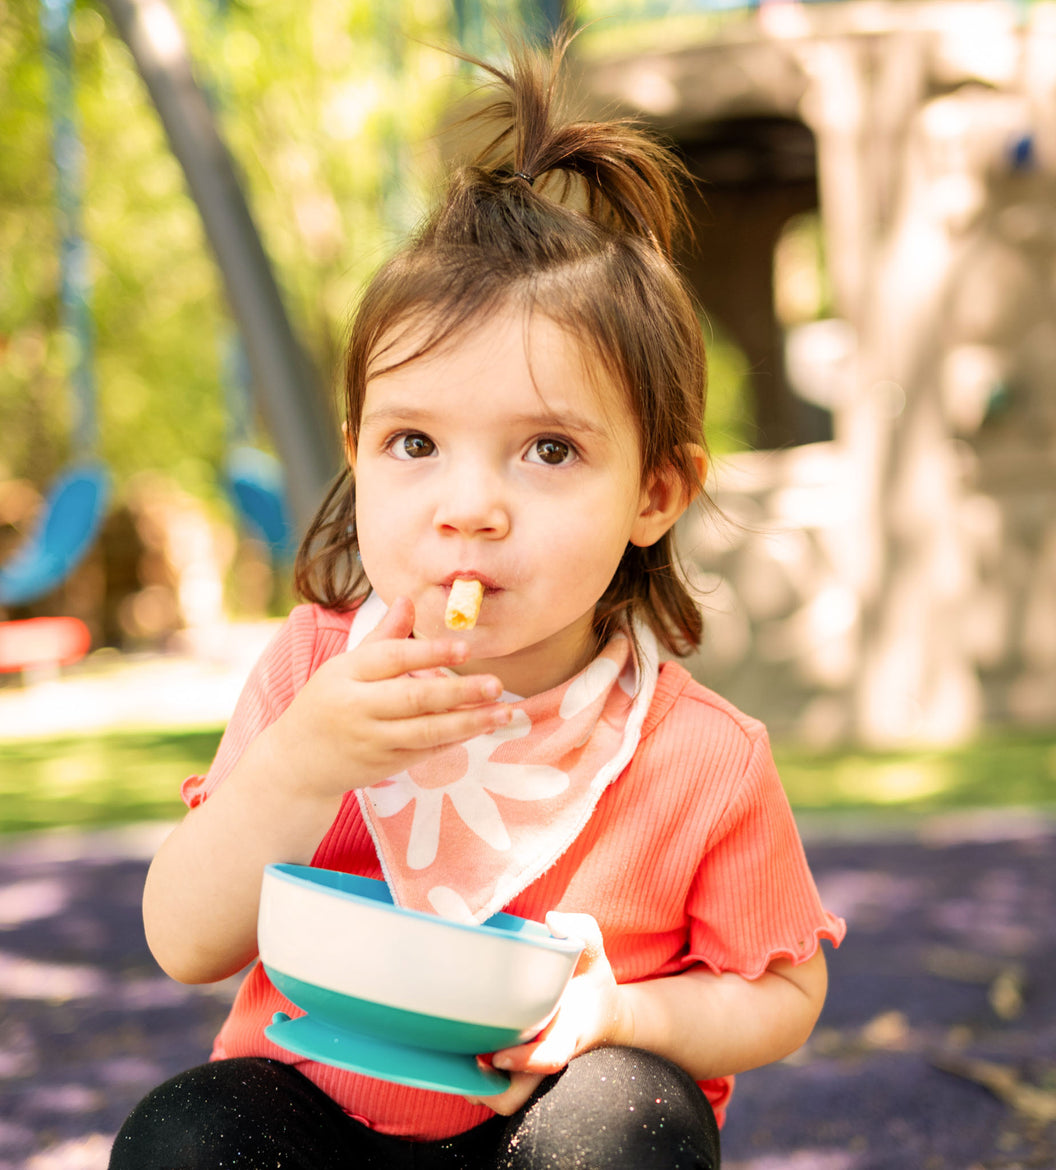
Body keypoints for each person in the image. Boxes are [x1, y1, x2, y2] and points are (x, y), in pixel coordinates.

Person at [110, 33, 844, 1170]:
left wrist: (624, 1014)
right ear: (356, 454)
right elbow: (183, 942)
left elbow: (785, 991)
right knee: (184, 1137)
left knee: (631, 1124)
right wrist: (304, 764)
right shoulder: (311, 676)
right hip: (318, 1125)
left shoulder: (699, 756)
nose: (469, 509)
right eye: (415, 443)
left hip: (544, 1131)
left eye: (548, 450)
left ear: (655, 493)